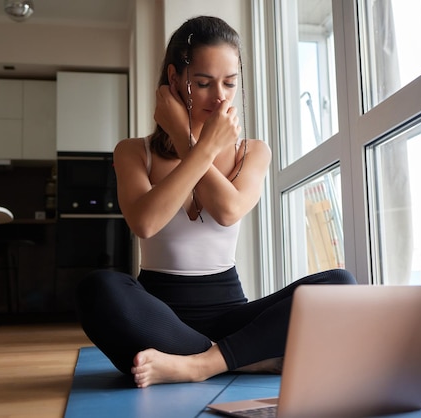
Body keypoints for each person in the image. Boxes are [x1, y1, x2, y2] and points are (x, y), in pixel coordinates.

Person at [75, 15, 356, 389]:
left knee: (340, 283)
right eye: (203, 83)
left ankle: (200, 364)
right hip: (156, 317)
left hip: (230, 313)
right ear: (175, 80)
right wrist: (195, 142)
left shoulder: (252, 152)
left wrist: (187, 140)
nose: (220, 96)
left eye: (230, 83)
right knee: (97, 290)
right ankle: (241, 358)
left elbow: (227, 211)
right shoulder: (132, 152)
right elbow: (145, 222)